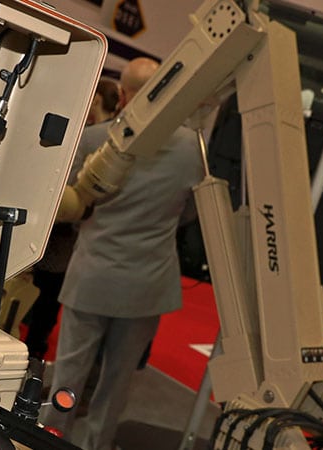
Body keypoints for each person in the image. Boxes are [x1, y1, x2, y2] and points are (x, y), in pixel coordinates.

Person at [40, 57, 204, 450]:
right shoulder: (192, 148)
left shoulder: (95, 140)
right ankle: (97, 444)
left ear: (124, 94)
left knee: (69, 373)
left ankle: (48, 439)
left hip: (92, 275)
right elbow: (192, 212)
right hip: (149, 281)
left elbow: (70, 205)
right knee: (118, 380)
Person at [24, 78, 119, 360]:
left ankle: (30, 351)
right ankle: (35, 351)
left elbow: (67, 188)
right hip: (84, 240)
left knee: (40, 296)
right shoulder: (113, 136)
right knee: (48, 304)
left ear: (97, 99)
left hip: (63, 234)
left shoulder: (90, 137)